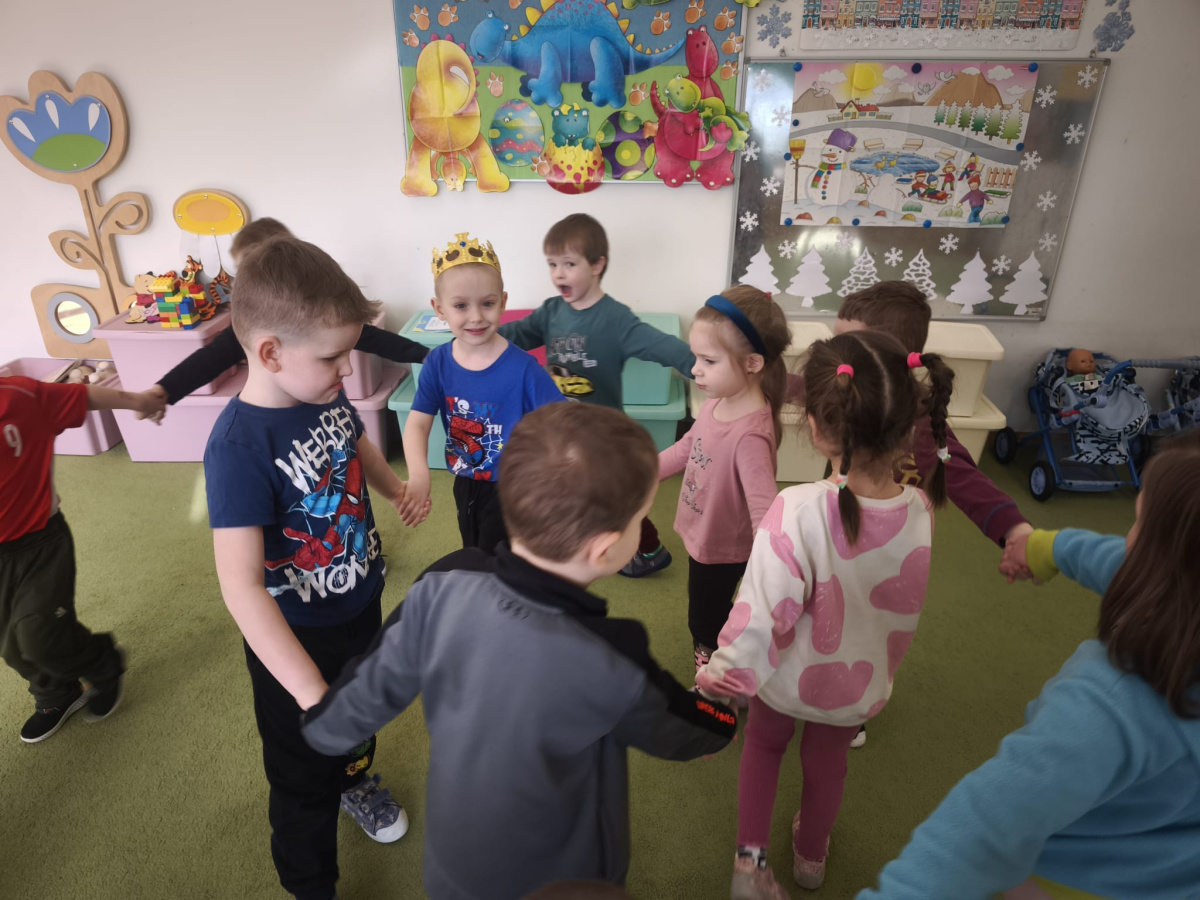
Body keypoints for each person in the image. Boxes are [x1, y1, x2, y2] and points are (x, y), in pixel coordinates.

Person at [302, 403, 738, 900]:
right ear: (605, 550)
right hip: (566, 882)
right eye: (642, 520)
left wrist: (323, 726)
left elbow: (370, 686)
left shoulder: (442, 584)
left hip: (453, 872)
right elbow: (680, 726)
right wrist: (723, 721)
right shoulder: (611, 655)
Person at [857, 433, 1200, 900]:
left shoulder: (1109, 708)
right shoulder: (1180, 590)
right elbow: (1134, 567)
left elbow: (983, 828)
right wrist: (1047, 548)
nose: (1127, 540)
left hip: (1075, 881)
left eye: (1138, 523)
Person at [696, 330, 955, 898]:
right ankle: (811, 858)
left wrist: (721, 678)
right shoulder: (921, 509)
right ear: (907, 424)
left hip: (783, 678)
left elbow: (761, 612)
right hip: (854, 686)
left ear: (814, 425)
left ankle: (749, 865)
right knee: (828, 764)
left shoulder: (797, 508)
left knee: (764, 747)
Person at [204, 236, 414, 900]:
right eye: (332, 356)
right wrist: (308, 692)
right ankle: (311, 886)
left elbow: (357, 444)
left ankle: (354, 779)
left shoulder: (323, 392)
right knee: (301, 777)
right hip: (295, 641)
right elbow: (240, 587)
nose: (347, 369)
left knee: (358, 723)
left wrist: (394, 488)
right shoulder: (238, 447)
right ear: (270, 352)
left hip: (359, 600)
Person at [835, 281, 1035, 747]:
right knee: (827, 616)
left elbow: (964, 476)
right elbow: (799, 387)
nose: (834, 355)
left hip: (886, 556)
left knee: (865, 631)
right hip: (839, 532)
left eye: (847, 344)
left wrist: (1014, 529)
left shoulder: (919, 425)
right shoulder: (845, 386)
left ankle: (853, 709)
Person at [499, 213, 696, 578]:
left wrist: (704, 364)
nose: (558, 274)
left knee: (614, 497)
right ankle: (576, 544)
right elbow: (518, 334)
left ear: (597, 265)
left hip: (603, 433)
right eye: (552, 264)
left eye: (569, 264)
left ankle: (649, 550)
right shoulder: (552, 312)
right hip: (562, 427)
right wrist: (482, 334)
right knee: (570, 490)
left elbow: (661, 345)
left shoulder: (615, 319)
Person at [1, 376, 159, 742]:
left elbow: (82, 395)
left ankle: (103, 662)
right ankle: (57, 693)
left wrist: (140, 401)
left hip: (38, 544)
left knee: (40, 637)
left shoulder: (19, 396)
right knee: (10, 648)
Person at [140, 217, 428, 418]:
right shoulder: (248, 328)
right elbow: (209, 359)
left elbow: (374, 338)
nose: (347, 368)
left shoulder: (318, 321)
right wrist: (165, 391)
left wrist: (426, 355)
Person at [398, 233, 563, 553]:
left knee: (500, 557)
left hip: (515, 485)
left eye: (487, 303)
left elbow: (562, 420)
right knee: (473, 548)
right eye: (461, 305)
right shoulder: (437, 364)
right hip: (466, 479)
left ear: (502, 302)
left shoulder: (524, 369)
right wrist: (418, 474)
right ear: (439, 308)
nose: (475, 316)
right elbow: (417, 422)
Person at [659, 287, 790, 670]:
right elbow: (687, 447)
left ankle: (714, 678)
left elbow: (764, 511)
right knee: (713, 610)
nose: (695, 369)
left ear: (752, 363)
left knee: (704, 621)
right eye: (695, 357)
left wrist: (769, 572)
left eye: (709, 360)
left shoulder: (750, 435)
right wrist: (644, 472)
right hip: (706, 534)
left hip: (724, 550)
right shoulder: (717, 402)